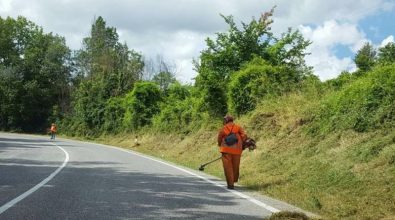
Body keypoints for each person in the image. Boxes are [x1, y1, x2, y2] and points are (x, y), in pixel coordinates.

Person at [217, 115, 247, 189]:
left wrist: (220, 144)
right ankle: (234, 180)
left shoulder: (223, 129)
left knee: (228, 167)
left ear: (226, 121)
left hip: (226, 150)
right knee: (235, 166)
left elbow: (219, 138)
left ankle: (230, 184)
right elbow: (244, 135)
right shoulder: (238, 127)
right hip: (237, 151)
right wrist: (241, 142)